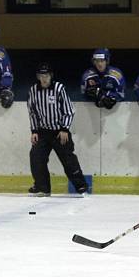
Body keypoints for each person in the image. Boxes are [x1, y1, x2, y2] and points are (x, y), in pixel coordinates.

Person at [27, 63, 88, 197]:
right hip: (42, 132)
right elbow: (32, 112)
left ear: (51, 76)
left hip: (59, 132)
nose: (44, 78)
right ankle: (43, 187)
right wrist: (34, 131)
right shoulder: (33, 90)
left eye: (46, 75)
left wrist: (64, 128)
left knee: (68, 160)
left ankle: (81, 187)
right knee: (36, 157)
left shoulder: (59, 88)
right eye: (41, 76)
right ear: (38, 76)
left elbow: (69, 111)